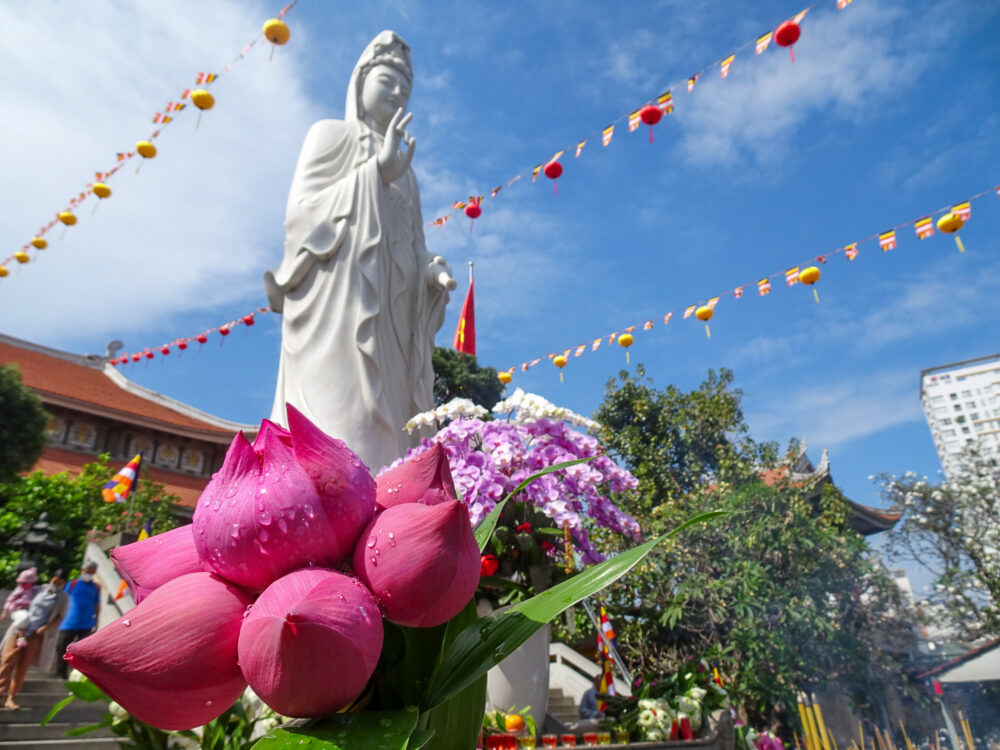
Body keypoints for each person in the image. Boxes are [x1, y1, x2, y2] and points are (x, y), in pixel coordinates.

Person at [264, 30, 455, 473]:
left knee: (392, 438)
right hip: (340, 313)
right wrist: (374, 174)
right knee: (345, 432)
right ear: (361, 80)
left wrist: (429, 272)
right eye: (388, 79)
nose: (397, 92)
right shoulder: (331, 135)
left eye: (405, 87)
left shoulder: (408, 174)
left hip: (393, 321)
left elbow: (412, 246)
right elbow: (301, 216)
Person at [0, 569, 66, 709]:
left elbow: (61, 617)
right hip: (20, 630)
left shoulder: (63, 597)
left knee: (22, 667)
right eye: (55, 580)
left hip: (36, 635)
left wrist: (45, 628)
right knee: (7, 661)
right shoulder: (40, 590)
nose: (57, 583)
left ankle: (11, 698)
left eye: (60, 581)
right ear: (51, 578)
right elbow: (20, 594)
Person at [55, 562, 101, 679]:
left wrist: (96, 620)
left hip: (86, 623)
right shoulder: (71, 584)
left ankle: (75, 674)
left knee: (80, 653)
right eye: (87, 571)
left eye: (91, 572)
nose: (88, 574)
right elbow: (62, 601)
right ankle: (60, 672)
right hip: (68, 622)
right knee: (62, 648)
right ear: (82, 570)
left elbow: (97, 604)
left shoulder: (95, 587)